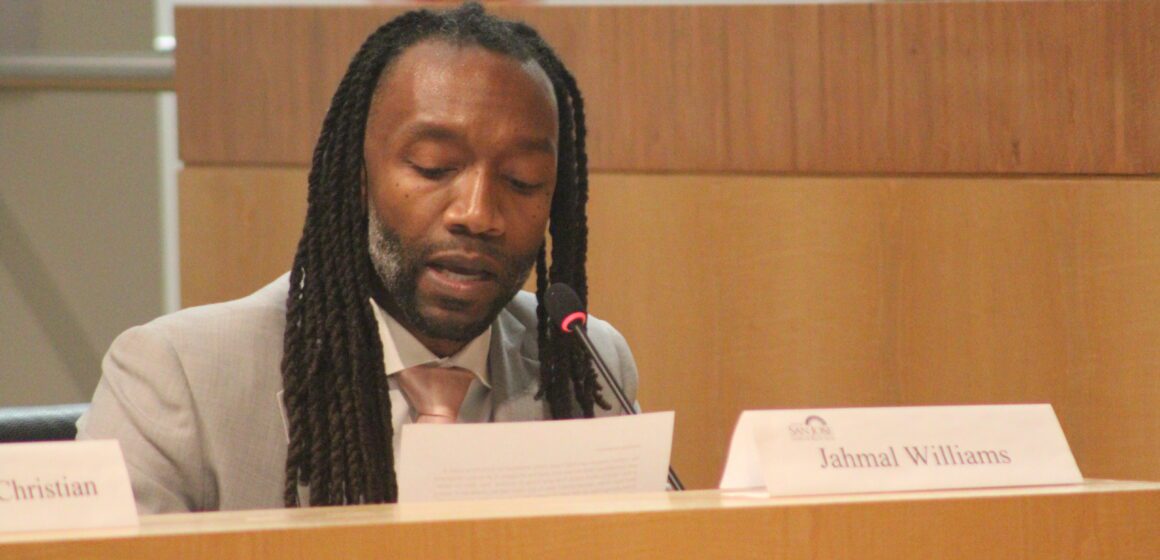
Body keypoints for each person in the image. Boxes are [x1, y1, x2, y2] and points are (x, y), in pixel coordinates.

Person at [76, 2, 637, 513]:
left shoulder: (587, 368)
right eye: (434, 167)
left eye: (522, 180)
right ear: (357, 177)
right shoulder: (179, 380)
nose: (478, 213)